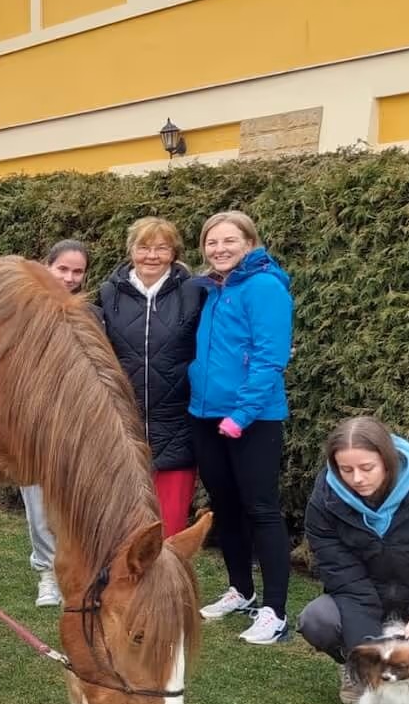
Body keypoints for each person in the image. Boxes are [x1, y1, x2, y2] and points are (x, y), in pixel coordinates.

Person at [300, 417, 409, 704]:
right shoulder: (323, 505)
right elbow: (345, 579)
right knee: (316, 620)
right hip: (359, 601)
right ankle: (355, 670)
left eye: (366, 468)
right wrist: (367, 648)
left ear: (387, 461)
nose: (357, 478)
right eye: (346, 470)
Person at [189, 210, 294, 644]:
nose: (220, 249)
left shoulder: (265, 287)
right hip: (206, 414)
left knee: (261, 510)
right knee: (225, 506)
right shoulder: (212, 289)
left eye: (229, 241)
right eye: (212, 243)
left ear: (249, 243)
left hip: (252, 419)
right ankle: (241, 590)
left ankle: (275, 612)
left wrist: (242, 415)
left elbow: (271, 356)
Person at [95, 217, 202, 538]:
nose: (151, 256)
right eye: (143, 247)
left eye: (162, 248)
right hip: (122, 425)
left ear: (174, 252)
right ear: (131, 251)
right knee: (123, 528)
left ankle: (167, 587)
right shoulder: (108, 293)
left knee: (168, 531)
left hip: (177, 422)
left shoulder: (195, 291)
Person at [24, 240, 90, 607]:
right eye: (62, 269)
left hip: (77, 424)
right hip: (32, 422)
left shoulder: (89, 314)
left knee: (72, 501)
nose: (68, 277)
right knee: (37, 501)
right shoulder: (21, 311)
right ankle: (48, 571)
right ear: (46, 266)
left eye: (77, 271)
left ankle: (75, 567)